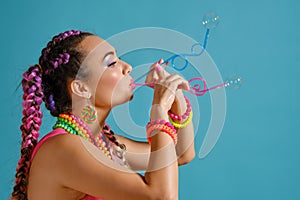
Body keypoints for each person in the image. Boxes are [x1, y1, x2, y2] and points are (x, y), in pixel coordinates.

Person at [11, 30, 195, 200]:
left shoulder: (103, 144)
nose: (128, 67)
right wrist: (159, 110)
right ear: (81, 88)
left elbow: (180, 154)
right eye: (112, 63)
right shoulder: (62, 148)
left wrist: (176, 98)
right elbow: (161, 196)